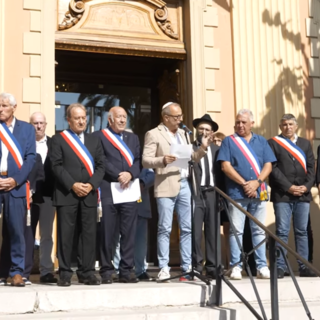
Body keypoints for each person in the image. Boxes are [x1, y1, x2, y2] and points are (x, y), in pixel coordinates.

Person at [142, 102, 213, 281]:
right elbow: (145, 160)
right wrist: (163, 160)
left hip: (185, 184)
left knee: (187, 228)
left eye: (181, 116)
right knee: (165, 228)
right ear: (165, 117)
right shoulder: (153, 134)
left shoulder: (184, 134)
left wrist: (203, 148)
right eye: (176, 117)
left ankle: (187, 266)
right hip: (166, 184)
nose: (180, 119)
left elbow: (193, 158)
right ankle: (164, 267)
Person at [217, 109, 276, 280]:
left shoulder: (261, 141)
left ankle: (262, 266)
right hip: (237, 192)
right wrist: (244, 183)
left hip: (259, 192)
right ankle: (236, 267)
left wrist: (257, 182)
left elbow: (268, 165)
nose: (240, 125)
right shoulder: (229, 141)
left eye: (243, 122)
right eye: (237, 122)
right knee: (236, 231)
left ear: (252, 123)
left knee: (258, 230)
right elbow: (225, 166)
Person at [51, 103, 104, 286]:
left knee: (88, 234)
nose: (81, 121)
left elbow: (101, 166)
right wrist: (73, 184)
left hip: (89, 194)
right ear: (68, 120)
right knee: (66, 234)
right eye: (77, 118)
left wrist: (90, 185)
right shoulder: (59, 139)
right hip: (67, 194)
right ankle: (65, 273)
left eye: (83, 118)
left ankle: (87, 272)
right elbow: (56, 166)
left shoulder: (94, 140)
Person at [93, 106, 141, 284]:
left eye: (124, 117)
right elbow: (101, 160)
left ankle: (126, 270)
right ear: (110, 119)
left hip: (129, 189)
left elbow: (138, 160)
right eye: (118, 117)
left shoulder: (133, 138)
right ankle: (106, 270)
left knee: (129, 231)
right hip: (109, 188)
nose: (122, 120)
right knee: (108, 231)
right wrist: (119, 175)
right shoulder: (99, 137)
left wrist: (130, 173)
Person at [268, 114, 316, 278]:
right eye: (284, 125)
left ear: (296, 126)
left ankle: (304, 266)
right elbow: (273, 169)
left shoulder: (304, 143)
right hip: (283, 195)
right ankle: (281, 267)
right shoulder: (273, 143)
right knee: (282, 231)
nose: (287, 127)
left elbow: (311, 168)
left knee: (302, 231)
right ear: (280, 127)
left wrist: (306, 186)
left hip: (303, 195)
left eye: (290, 124)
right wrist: (289, 187)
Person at [0, 92, 36, 287]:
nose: (0, 109)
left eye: (4, 105)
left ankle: (16, 271)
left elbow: (31, 158)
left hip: (16, 186)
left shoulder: (27, 129)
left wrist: (15, 180)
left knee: (16, 230)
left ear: (14, 108)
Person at [25, 112, 57, 284]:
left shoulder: (54, 143)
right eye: (35, 123)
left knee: (46, 235)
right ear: (30, 124)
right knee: (27, 234)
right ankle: (23, 271)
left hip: (48, 195)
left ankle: (46, 271)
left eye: (41, 123)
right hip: (28, 196)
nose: (38, 126)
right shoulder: (24, 143)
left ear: (46, 124)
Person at [113, 168, 155, 281]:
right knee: (120, 239)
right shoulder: (119, 158)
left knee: (141, 241)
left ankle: (140, 270)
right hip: (121, 201)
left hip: (140, 205)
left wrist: (141, 183)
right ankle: (118, 269)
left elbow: (151, 175)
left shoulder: (142, 159)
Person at [191, 114, 220, 279]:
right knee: (195, 231)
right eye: (201, 128)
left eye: (207, 129)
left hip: (212, 193)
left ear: (212, 133)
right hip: (196, 192)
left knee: (213, 231)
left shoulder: (217, 150)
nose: (203, 131)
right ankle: (196, 266)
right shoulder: (190, 148)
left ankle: (213, 266)